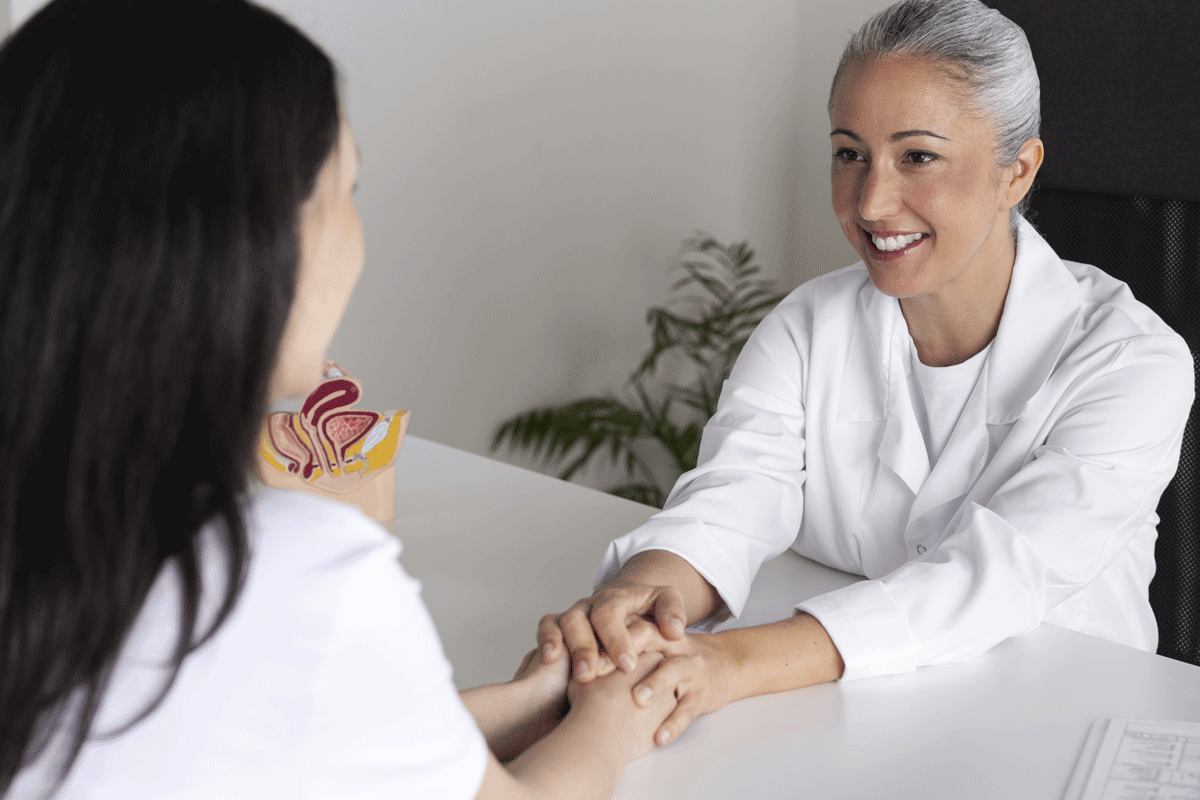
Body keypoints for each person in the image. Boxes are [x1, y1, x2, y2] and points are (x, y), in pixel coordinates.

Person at [0, 1, 676, 798]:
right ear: (256, 243)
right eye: (347, 189)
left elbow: (237, 732)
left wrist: (529, 701)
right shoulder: (287, 570)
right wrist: (614, 720)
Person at [537, 0, 1195, 750]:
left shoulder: (1130, 362)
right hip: (852, 721)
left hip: (1058, 728)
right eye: (850, 153)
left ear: (1017, 170)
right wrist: (642, 596)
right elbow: (733, 498)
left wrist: (728, 663)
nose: (871, 202)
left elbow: (995, 578)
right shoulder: (807, 327)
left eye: (918, 156)